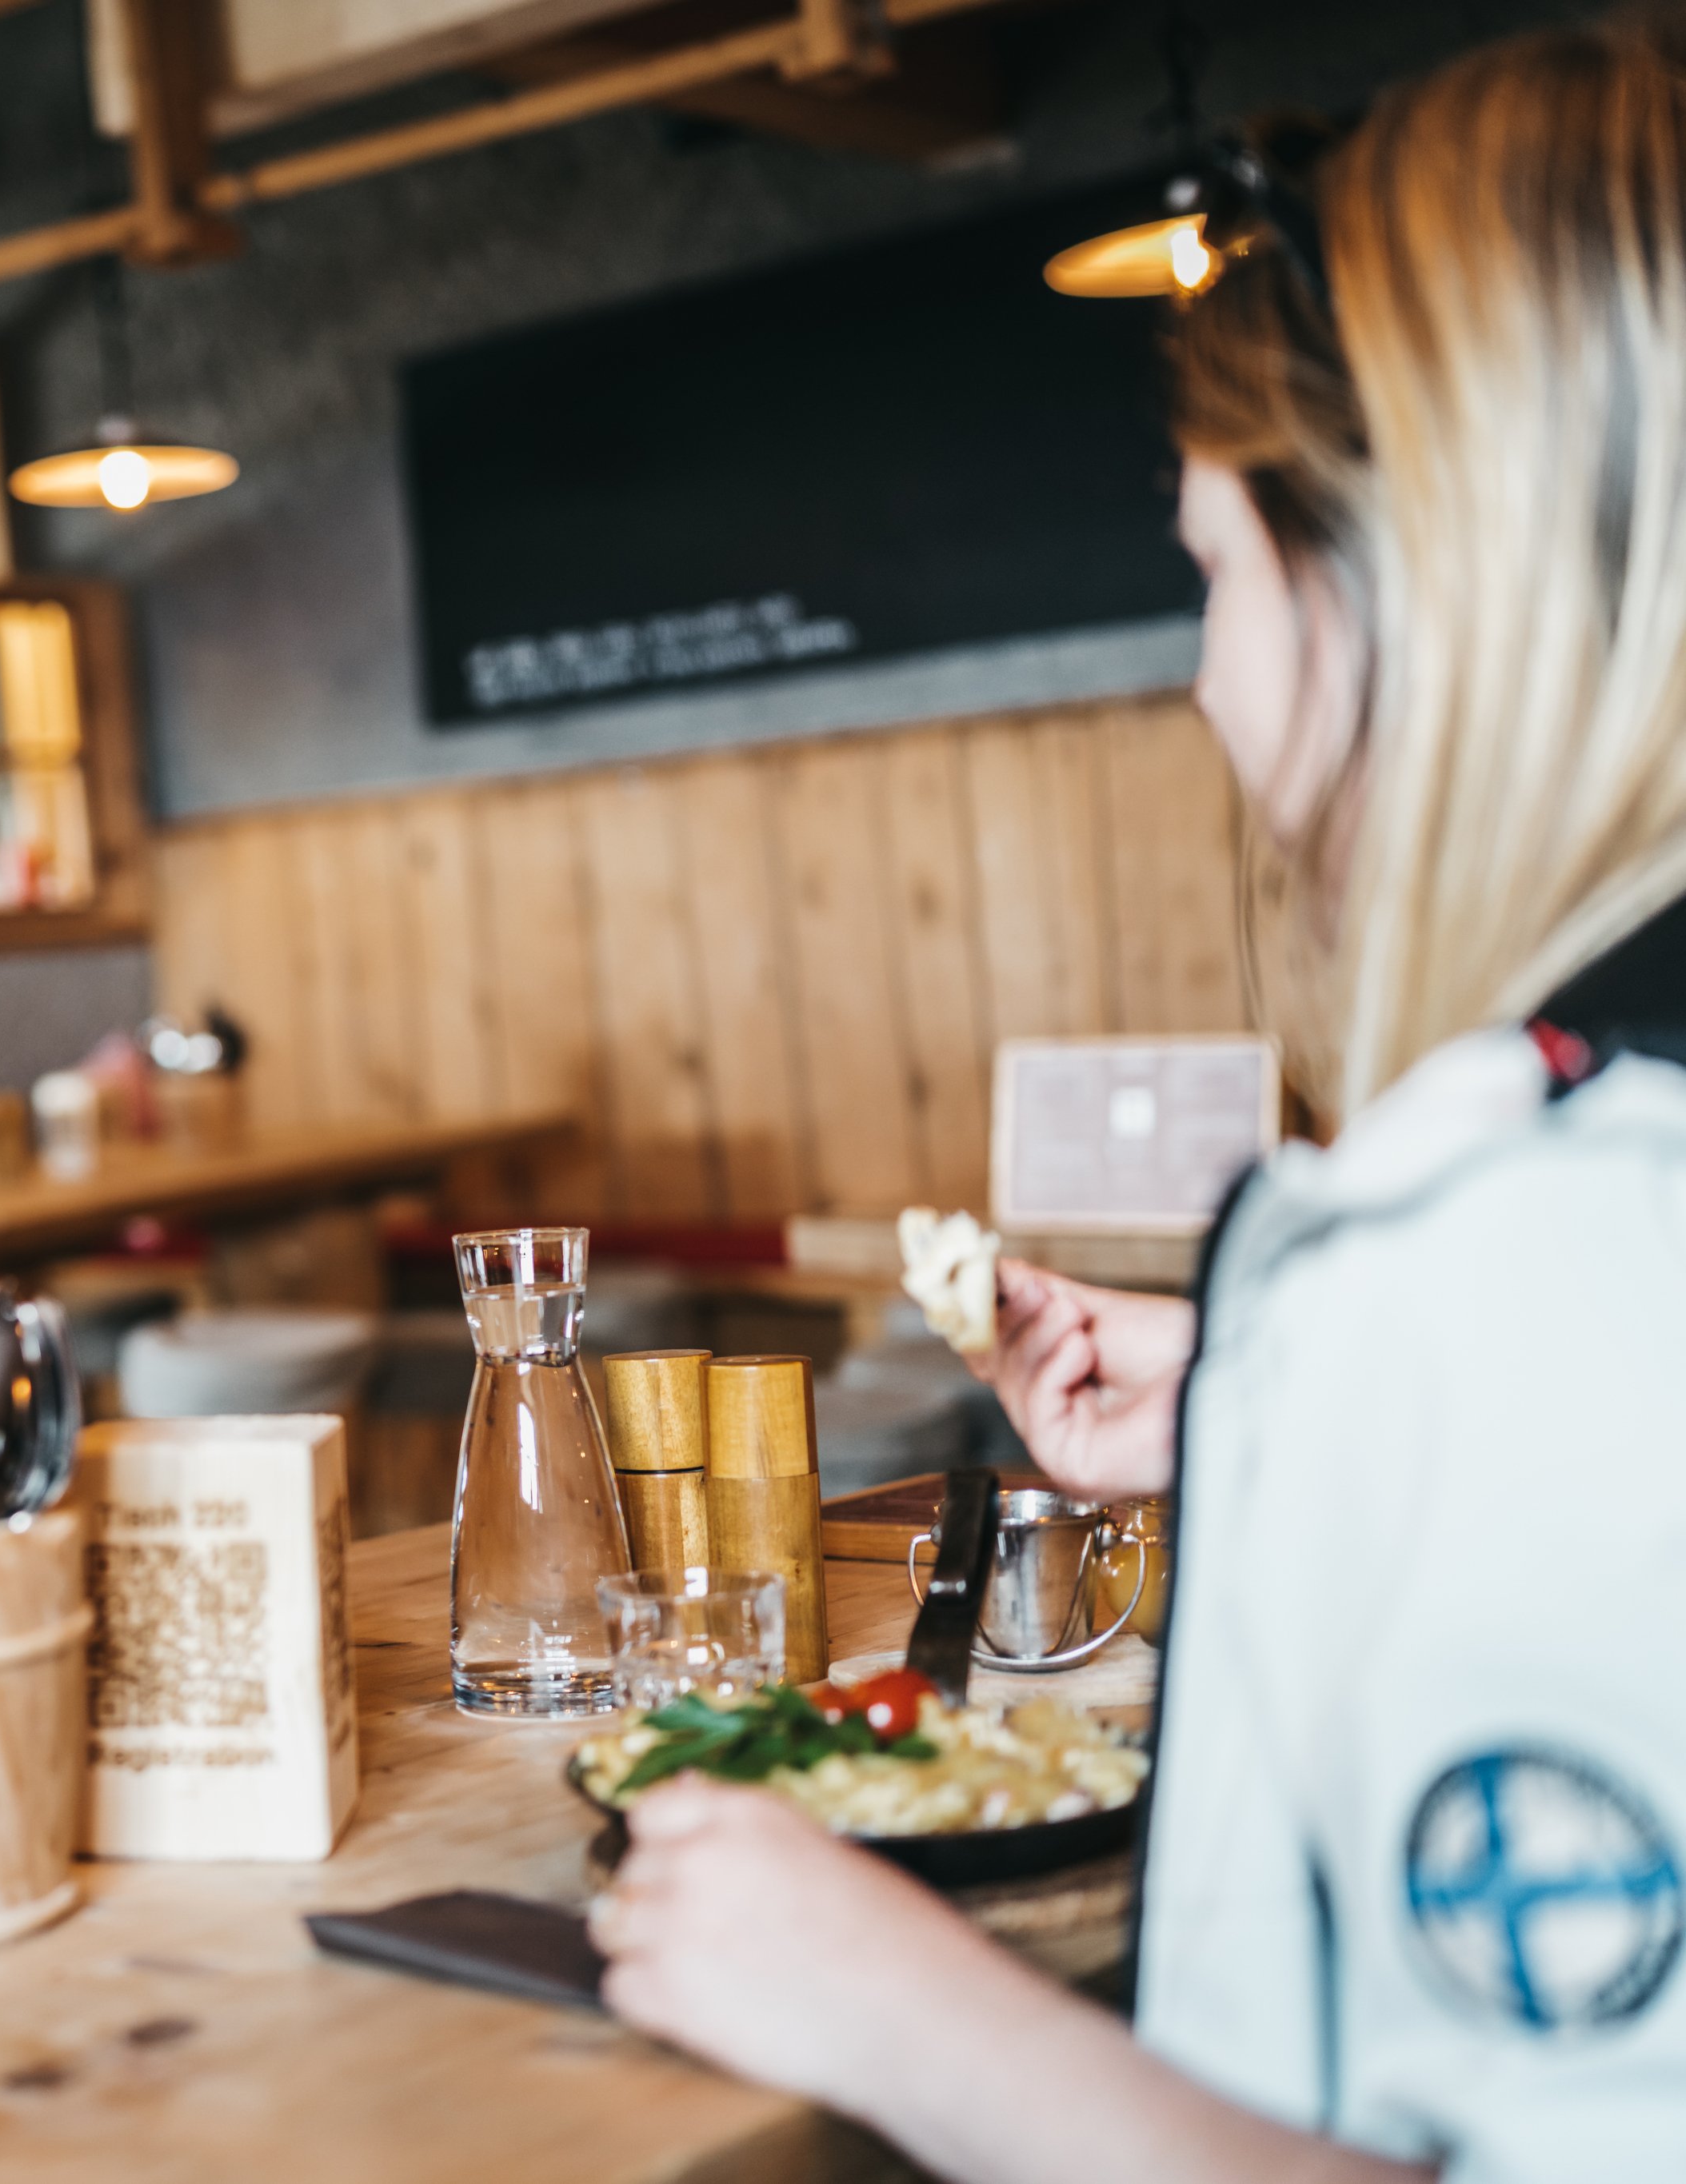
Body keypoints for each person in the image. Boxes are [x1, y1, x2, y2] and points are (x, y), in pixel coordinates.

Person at [589, 23, 1686, 2181]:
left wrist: (891, 2002)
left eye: (1217, 573)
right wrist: (1269, 1398)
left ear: (1416, 583)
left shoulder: (1536, 1251)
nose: (1206, 681)